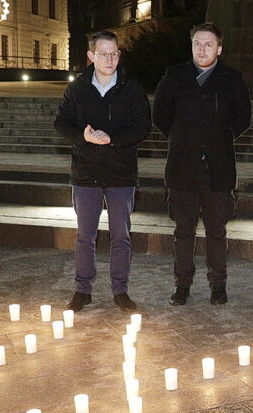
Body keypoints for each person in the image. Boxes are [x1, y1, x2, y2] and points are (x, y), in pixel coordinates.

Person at [153, 22, 251, 306]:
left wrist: (217, 140)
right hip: (182, 169)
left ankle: (217, 285)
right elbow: (160, 116)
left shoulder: (232, 78)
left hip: (218, 171)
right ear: (191, 46)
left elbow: (242, 119)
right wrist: (184, 139)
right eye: (197, 43)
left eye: (208, 44)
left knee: (217, 233)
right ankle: (182, 285)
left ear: (219, 48)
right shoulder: (174, 76)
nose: (202, 49)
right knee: (183, 232)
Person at [53, 30, 152, 312]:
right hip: (86, 175)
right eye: (103, 53)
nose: (109, 59)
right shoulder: (77, 88)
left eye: (114, 53)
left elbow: (143, 126)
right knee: (86, 236)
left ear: (119, 55)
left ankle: (120, 290)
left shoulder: (131, 89)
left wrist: (114, 138)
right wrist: (82, 136)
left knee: (121, 236)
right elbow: (61, 123)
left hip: (121, 175)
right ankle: (82, 289)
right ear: (91, 56)